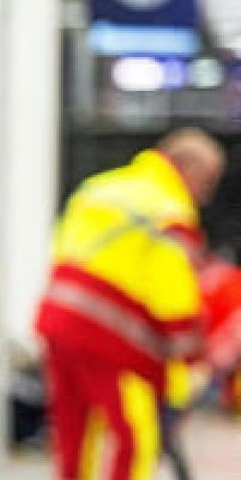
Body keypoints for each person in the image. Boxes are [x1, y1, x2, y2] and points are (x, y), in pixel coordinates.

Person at [35, 128, 222, 480]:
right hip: (115, 336)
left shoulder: (99, 187)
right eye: (207, 181)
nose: (205, 196)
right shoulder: (168, 207)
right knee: (135, 438)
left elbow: (61, 249)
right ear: (189, 169)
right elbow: (173, 291)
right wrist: (189, 363)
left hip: (58, 320)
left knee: (74, 436)